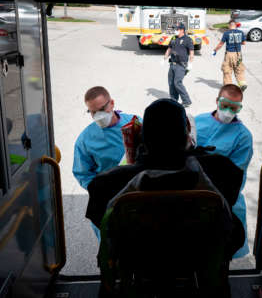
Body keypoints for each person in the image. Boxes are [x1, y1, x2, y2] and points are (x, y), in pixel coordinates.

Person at [86, 98, 245, 249]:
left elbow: (99, 217)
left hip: (139, 258)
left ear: (143, 135)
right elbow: (230, 201)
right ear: (187, 130)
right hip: (200, 256)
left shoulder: (109, 182)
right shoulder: (220, 168)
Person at [195, 84, 253, 258]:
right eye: (224, 105)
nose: (228, 111)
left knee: (220, 255)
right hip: (193, 194)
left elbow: (234, 177)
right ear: (217, 102)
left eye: (234, 108)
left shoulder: (243, 136)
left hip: (225, 199)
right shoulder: (198, 122)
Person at [72, 86, 137, 240]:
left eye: (102, 109)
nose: (99, 116)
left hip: (137, 194)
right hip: (109, 200)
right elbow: (83, 174)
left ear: (112, 103)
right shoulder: (86, 139)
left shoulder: (135, 123)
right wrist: (102, 192)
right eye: (93, 112)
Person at [163, 23, 194, 108]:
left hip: (181, 65)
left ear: (182, 30)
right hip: (172, 64)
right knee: (171, 83)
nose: (175, 31)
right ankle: (173, 100)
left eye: (176, 29)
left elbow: (191, 52)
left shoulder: (188, 39)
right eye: (174, 29)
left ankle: (186, 101)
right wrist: (164, 58)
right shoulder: (173, 38)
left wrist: (190, 64)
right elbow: (169, 49)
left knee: (177, 83)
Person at [212, 20, 247, 91]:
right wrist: (237, 43)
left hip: (229, 54)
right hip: (238, 54)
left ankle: (228, 87)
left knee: (227, 70)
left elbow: (221, 44)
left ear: (229, 25)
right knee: (239, 70)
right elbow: (243, 43)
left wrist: (215, 50)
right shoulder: (241, 32)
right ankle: (242, 84)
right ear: (235, 25)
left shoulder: (226, 33)